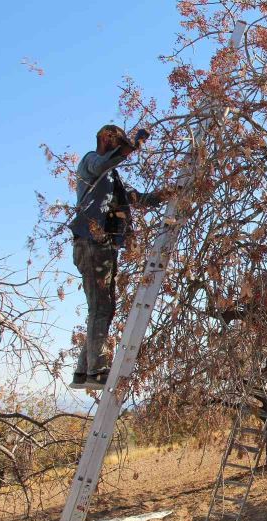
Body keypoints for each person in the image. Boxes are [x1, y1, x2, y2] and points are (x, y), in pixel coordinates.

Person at [68, 125, 164, 390]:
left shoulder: (113, 180)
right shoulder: (90, 162)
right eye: (115, 141)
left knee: (103, 307)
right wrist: (130, 147)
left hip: (103, 244)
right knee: (101, 307)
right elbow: (101, 165)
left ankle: (83, 370)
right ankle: (95, 370)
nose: (119, 146)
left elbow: (136, 198)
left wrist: (165, 195)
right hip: (91, 242)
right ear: (103, 138)